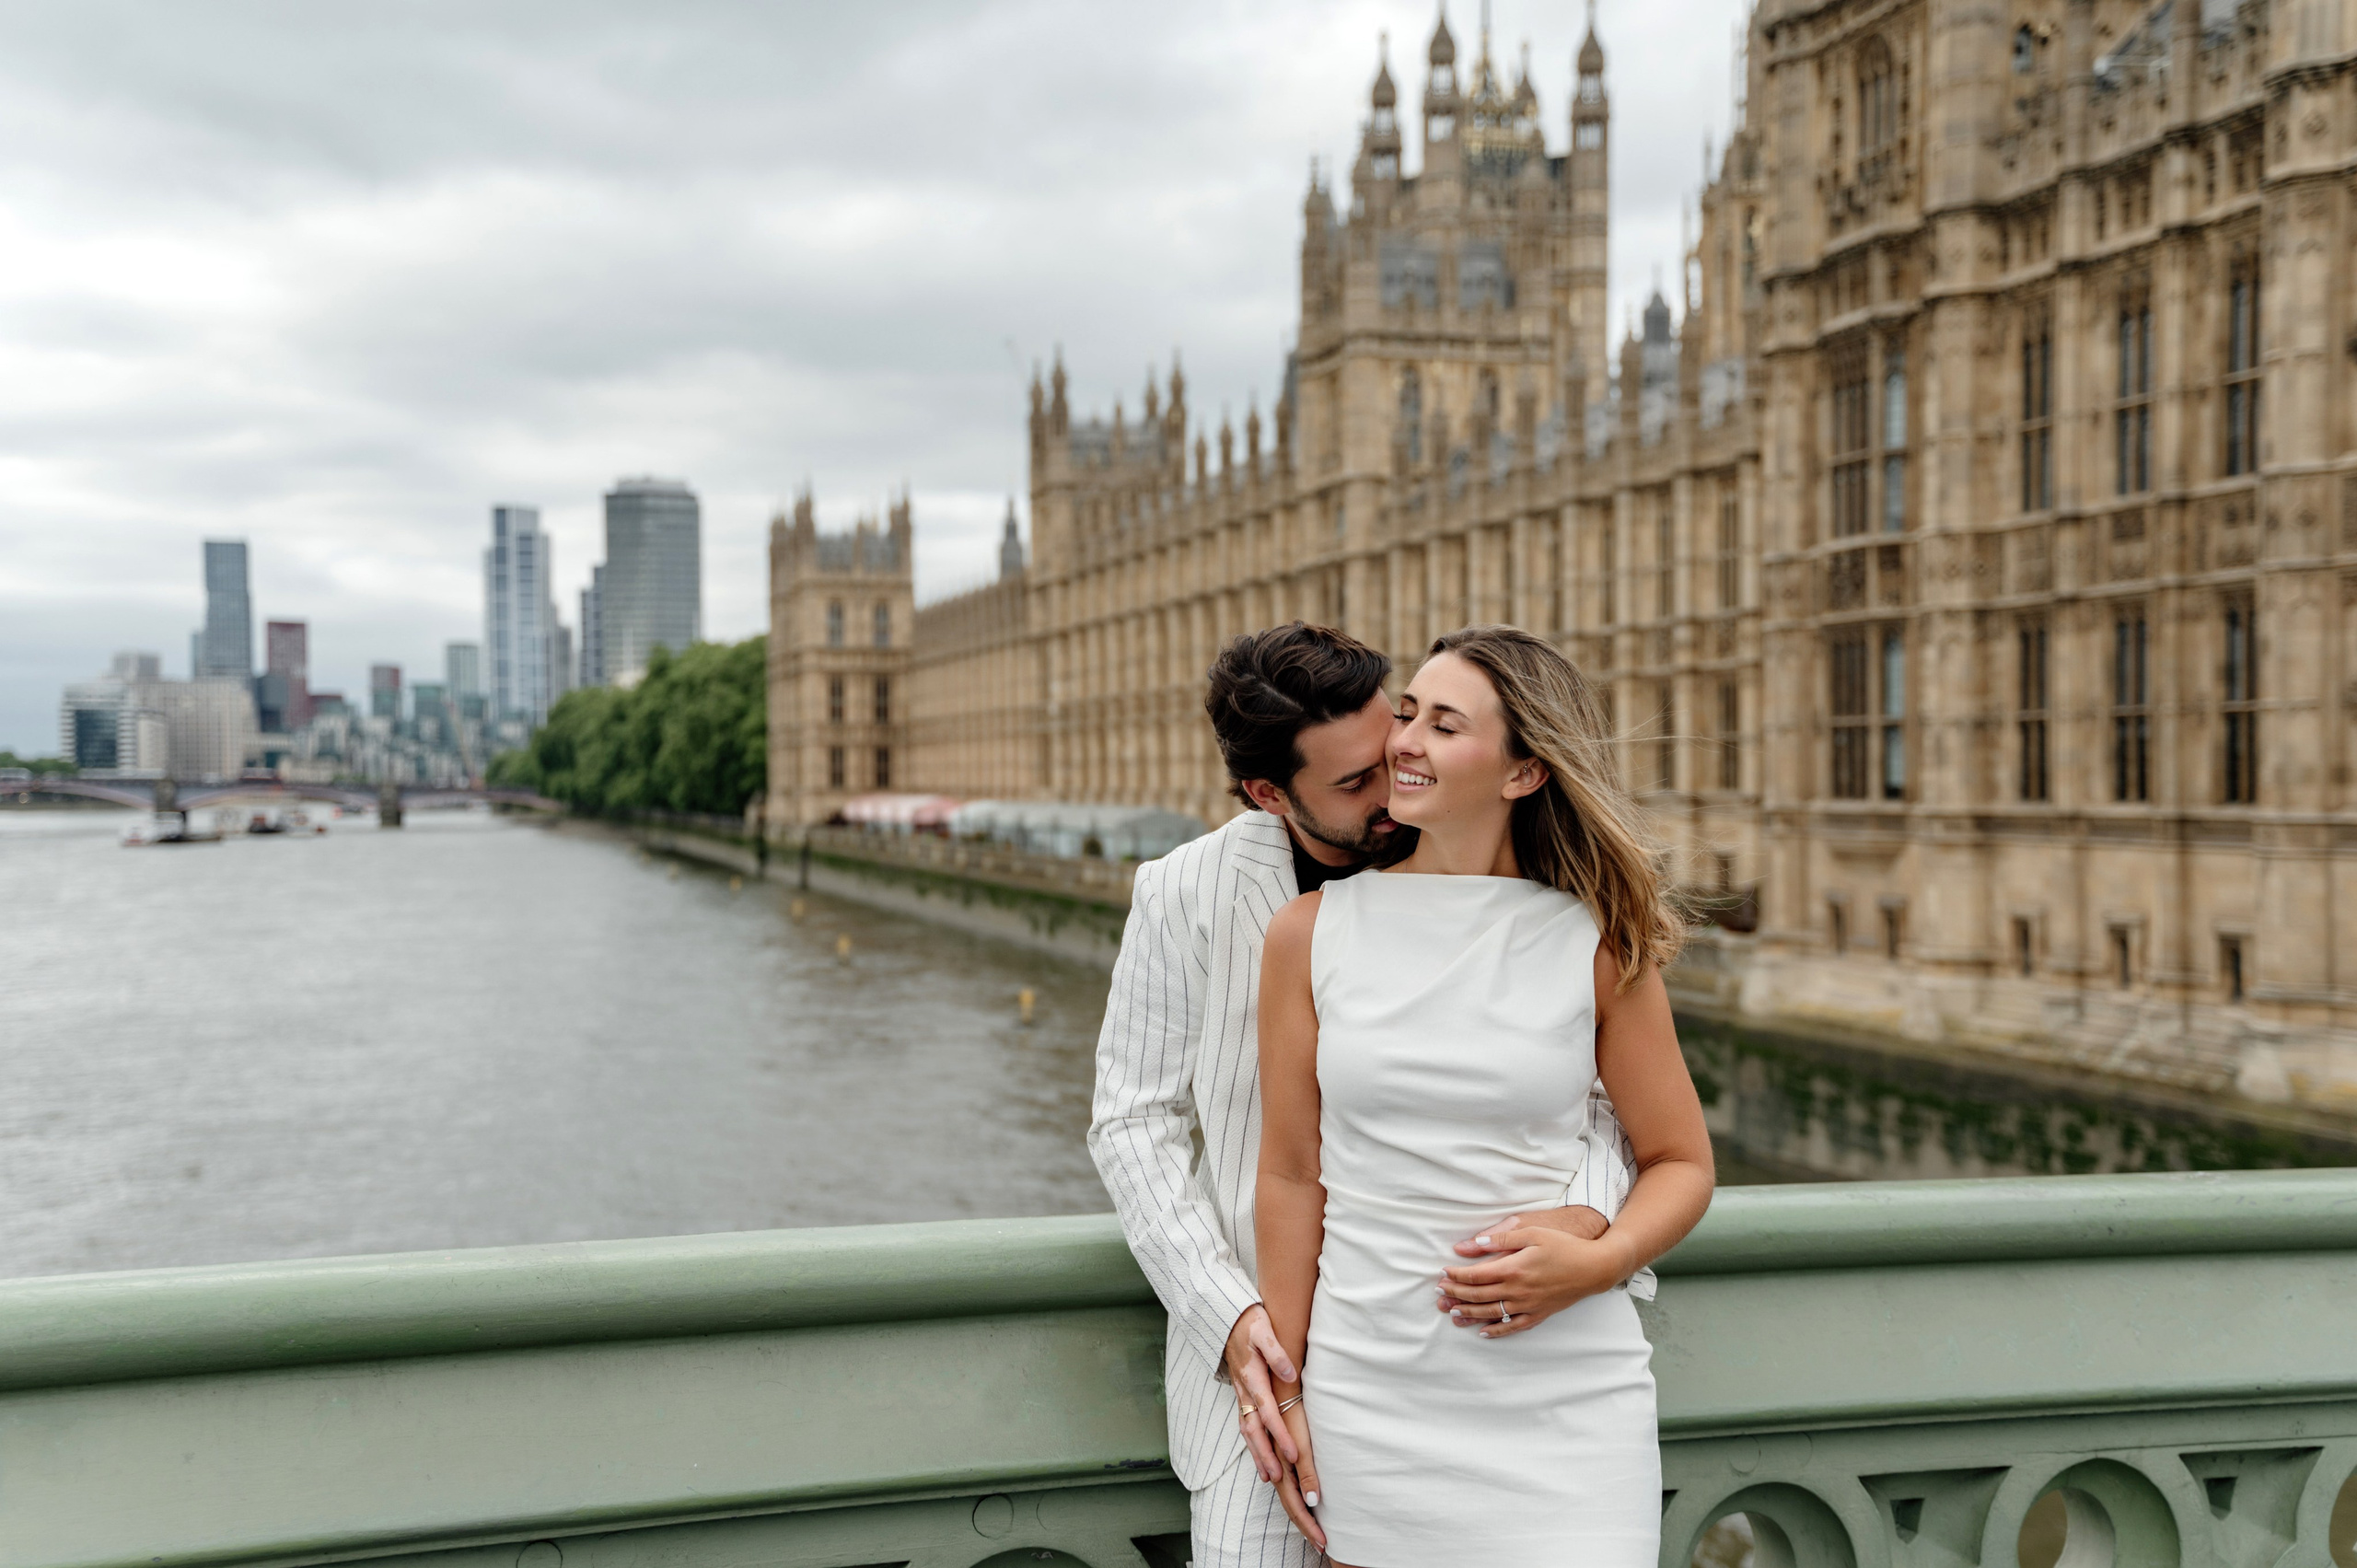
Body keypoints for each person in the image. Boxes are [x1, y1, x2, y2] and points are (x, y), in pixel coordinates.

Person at [1089, 621, 1642, 1567]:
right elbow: (1133, 1121)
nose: (1395, 784)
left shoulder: (1495, 873)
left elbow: (1600, 1101)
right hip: (1276, 1364)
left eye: (1393, 741)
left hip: (1490, 1343)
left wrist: (1581, 1225)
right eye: (1354, 783)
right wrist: (1236, 1320)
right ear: (1269, 794)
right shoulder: (1186, 892)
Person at [1255, 625, 1715, 1566]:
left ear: (1521, 772)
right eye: (1409, 712)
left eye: (1444, 723)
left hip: (1565, 1400)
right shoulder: (1308, 932)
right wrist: (1290, 1390)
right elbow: (1292, 1175)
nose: (1405, 739)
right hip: (1373, 1391)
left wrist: (1601, 1258)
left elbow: (1681, 1161)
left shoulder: (1593, 940)